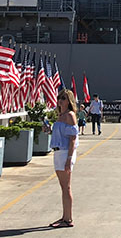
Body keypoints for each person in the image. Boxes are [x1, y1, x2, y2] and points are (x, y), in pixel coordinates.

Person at [45, 89, 80, 228]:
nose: (60, 101)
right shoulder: (60, 115)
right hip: (58, 152)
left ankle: (68, 219)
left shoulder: (70, 115)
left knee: (66, 187)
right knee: (63, 187)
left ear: (69, 101)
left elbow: (72, 139)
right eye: (59, 98)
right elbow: (60, 133)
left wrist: (69, 158)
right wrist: (48, 129)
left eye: (64, 98)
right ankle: (65, 216)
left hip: (66, 152)